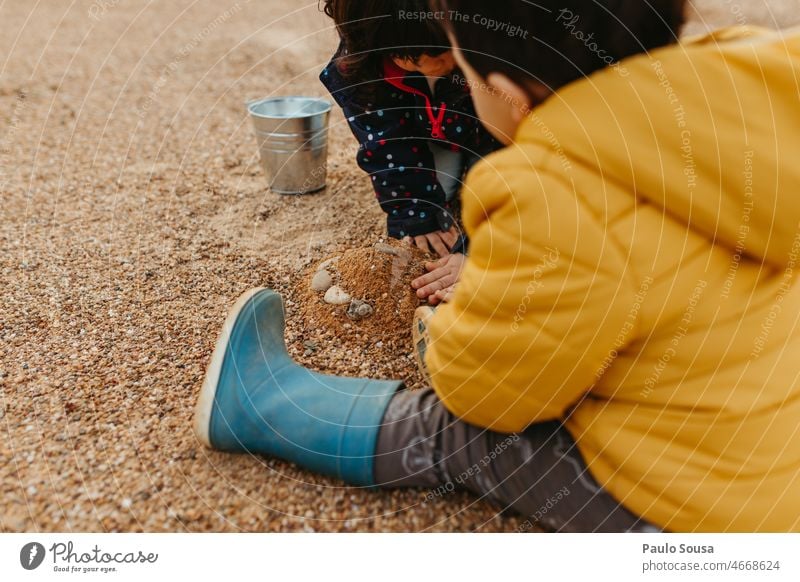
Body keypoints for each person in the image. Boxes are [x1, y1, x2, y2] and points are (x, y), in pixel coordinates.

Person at [194, 0, 800, 532]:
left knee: (451, 436)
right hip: (777, 466)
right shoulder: (757, 102)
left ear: (505, 86)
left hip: (693, 515)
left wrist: (463, 317)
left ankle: (258, 403)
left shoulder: (553, 193)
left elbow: (491, 393)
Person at [319, 0, 499, 258]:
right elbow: (384, 139)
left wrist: (479, 247)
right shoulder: (365, 60)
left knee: (489, 191)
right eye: (412, 58)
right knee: (435, 199)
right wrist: (414, 212)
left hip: (485, 129)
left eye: (442, 51)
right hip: (429, 133)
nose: (437, 64)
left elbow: (518, 141)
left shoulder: (487, 45)